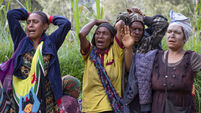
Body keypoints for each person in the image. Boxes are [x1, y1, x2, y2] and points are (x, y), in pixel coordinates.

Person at [123, 10, 201, 113]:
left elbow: (162, 24)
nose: (171, 35)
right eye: (169, 32)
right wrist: (128, 48)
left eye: (177, 32)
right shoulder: (154, 57)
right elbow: (131, 68)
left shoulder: (191, 58)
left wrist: (144, 17)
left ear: (184, 39)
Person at [6, 8, 71, 112]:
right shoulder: (21, 40)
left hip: (45, 96)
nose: (30, 25)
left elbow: (66, 24)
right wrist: (30, 14)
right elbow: (11, 14)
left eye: (35, 22)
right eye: (28, 22)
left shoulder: (51, 42)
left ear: (45, 26)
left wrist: (49, 18)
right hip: (22, 94)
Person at [79, 19, 131, 113]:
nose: (100, 36)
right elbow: (82, 34)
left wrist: (107, 25)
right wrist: (95, 21)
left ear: (112, 39)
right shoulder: (89, 53)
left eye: (105, 33)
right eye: (98, 33)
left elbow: (120, 24)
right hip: (88, 107)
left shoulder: (116, 51)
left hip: (109, 107)